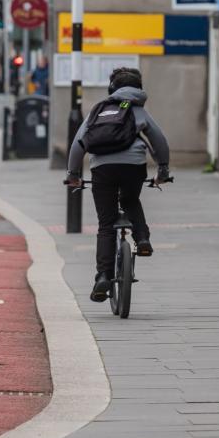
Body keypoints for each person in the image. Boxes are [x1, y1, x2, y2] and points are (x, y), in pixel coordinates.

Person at [65, 67, 171, 302]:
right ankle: (142, 239)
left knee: (106, 224)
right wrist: (163, 170)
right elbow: (159, 140)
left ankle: (103, 275)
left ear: (112, 88)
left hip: (101, 169)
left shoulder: (99, 110)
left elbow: (77, 144)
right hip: (133, 167)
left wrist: (73, 174)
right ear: (139, 89)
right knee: (130, 199)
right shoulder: (138, 110)